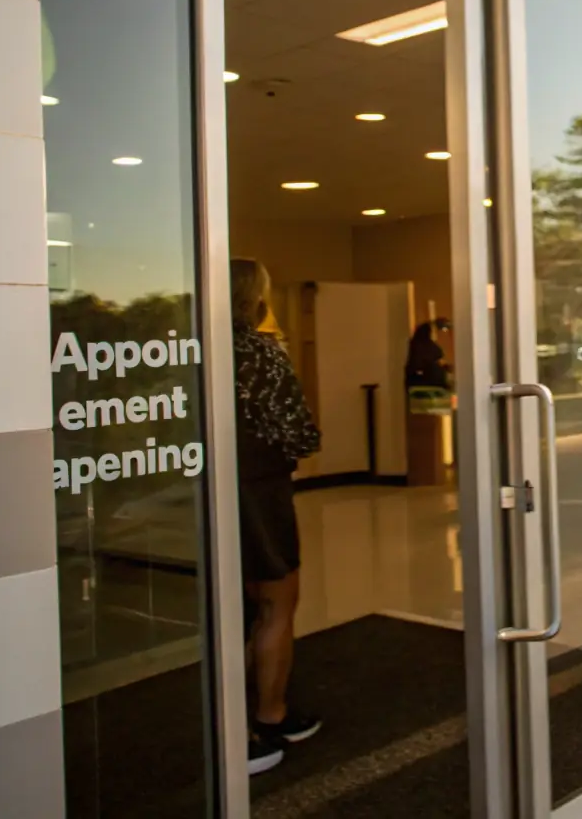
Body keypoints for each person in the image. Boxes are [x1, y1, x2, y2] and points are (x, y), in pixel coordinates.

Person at [231, 258, 323, 775]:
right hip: (259, 495)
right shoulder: (259, 353)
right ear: (253, 299)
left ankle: (233, 720)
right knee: (276, 601)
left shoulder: (190, 352)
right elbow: (302, 434)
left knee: (231, 611)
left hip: (209, 495)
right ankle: (269, 714)